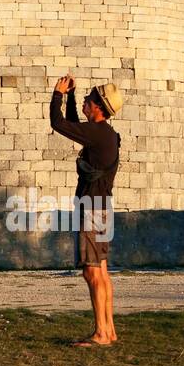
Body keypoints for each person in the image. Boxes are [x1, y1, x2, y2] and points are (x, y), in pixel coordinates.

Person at [50, 74, 124, 346]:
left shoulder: (98, 134)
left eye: (88, 99)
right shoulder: (105, 135)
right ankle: (109, 330)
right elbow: (74, 127)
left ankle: (102, 333)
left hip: (92, 209)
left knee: (91, 272)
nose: (85, 101)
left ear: (98, 107)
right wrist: (70, 96)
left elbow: (59, 123)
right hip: (102, 207)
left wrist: (57, 94)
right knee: (101, 272)